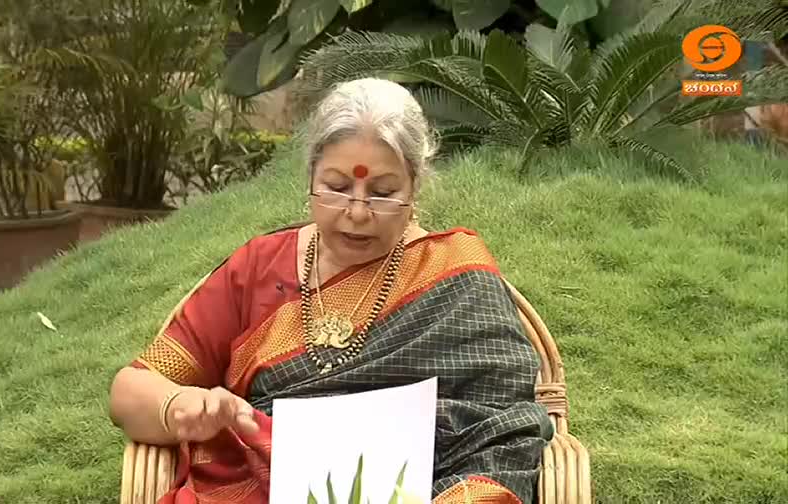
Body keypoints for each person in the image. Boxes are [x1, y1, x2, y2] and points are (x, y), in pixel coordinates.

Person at [109, 77, 554, 504]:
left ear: (414, 188)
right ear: (310, 179)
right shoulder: (259, 269)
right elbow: (130, 391)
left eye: (383, 192)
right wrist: (181, 406)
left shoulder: (457, 276)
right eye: (337, 187)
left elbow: (503, 431)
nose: (357, 212)